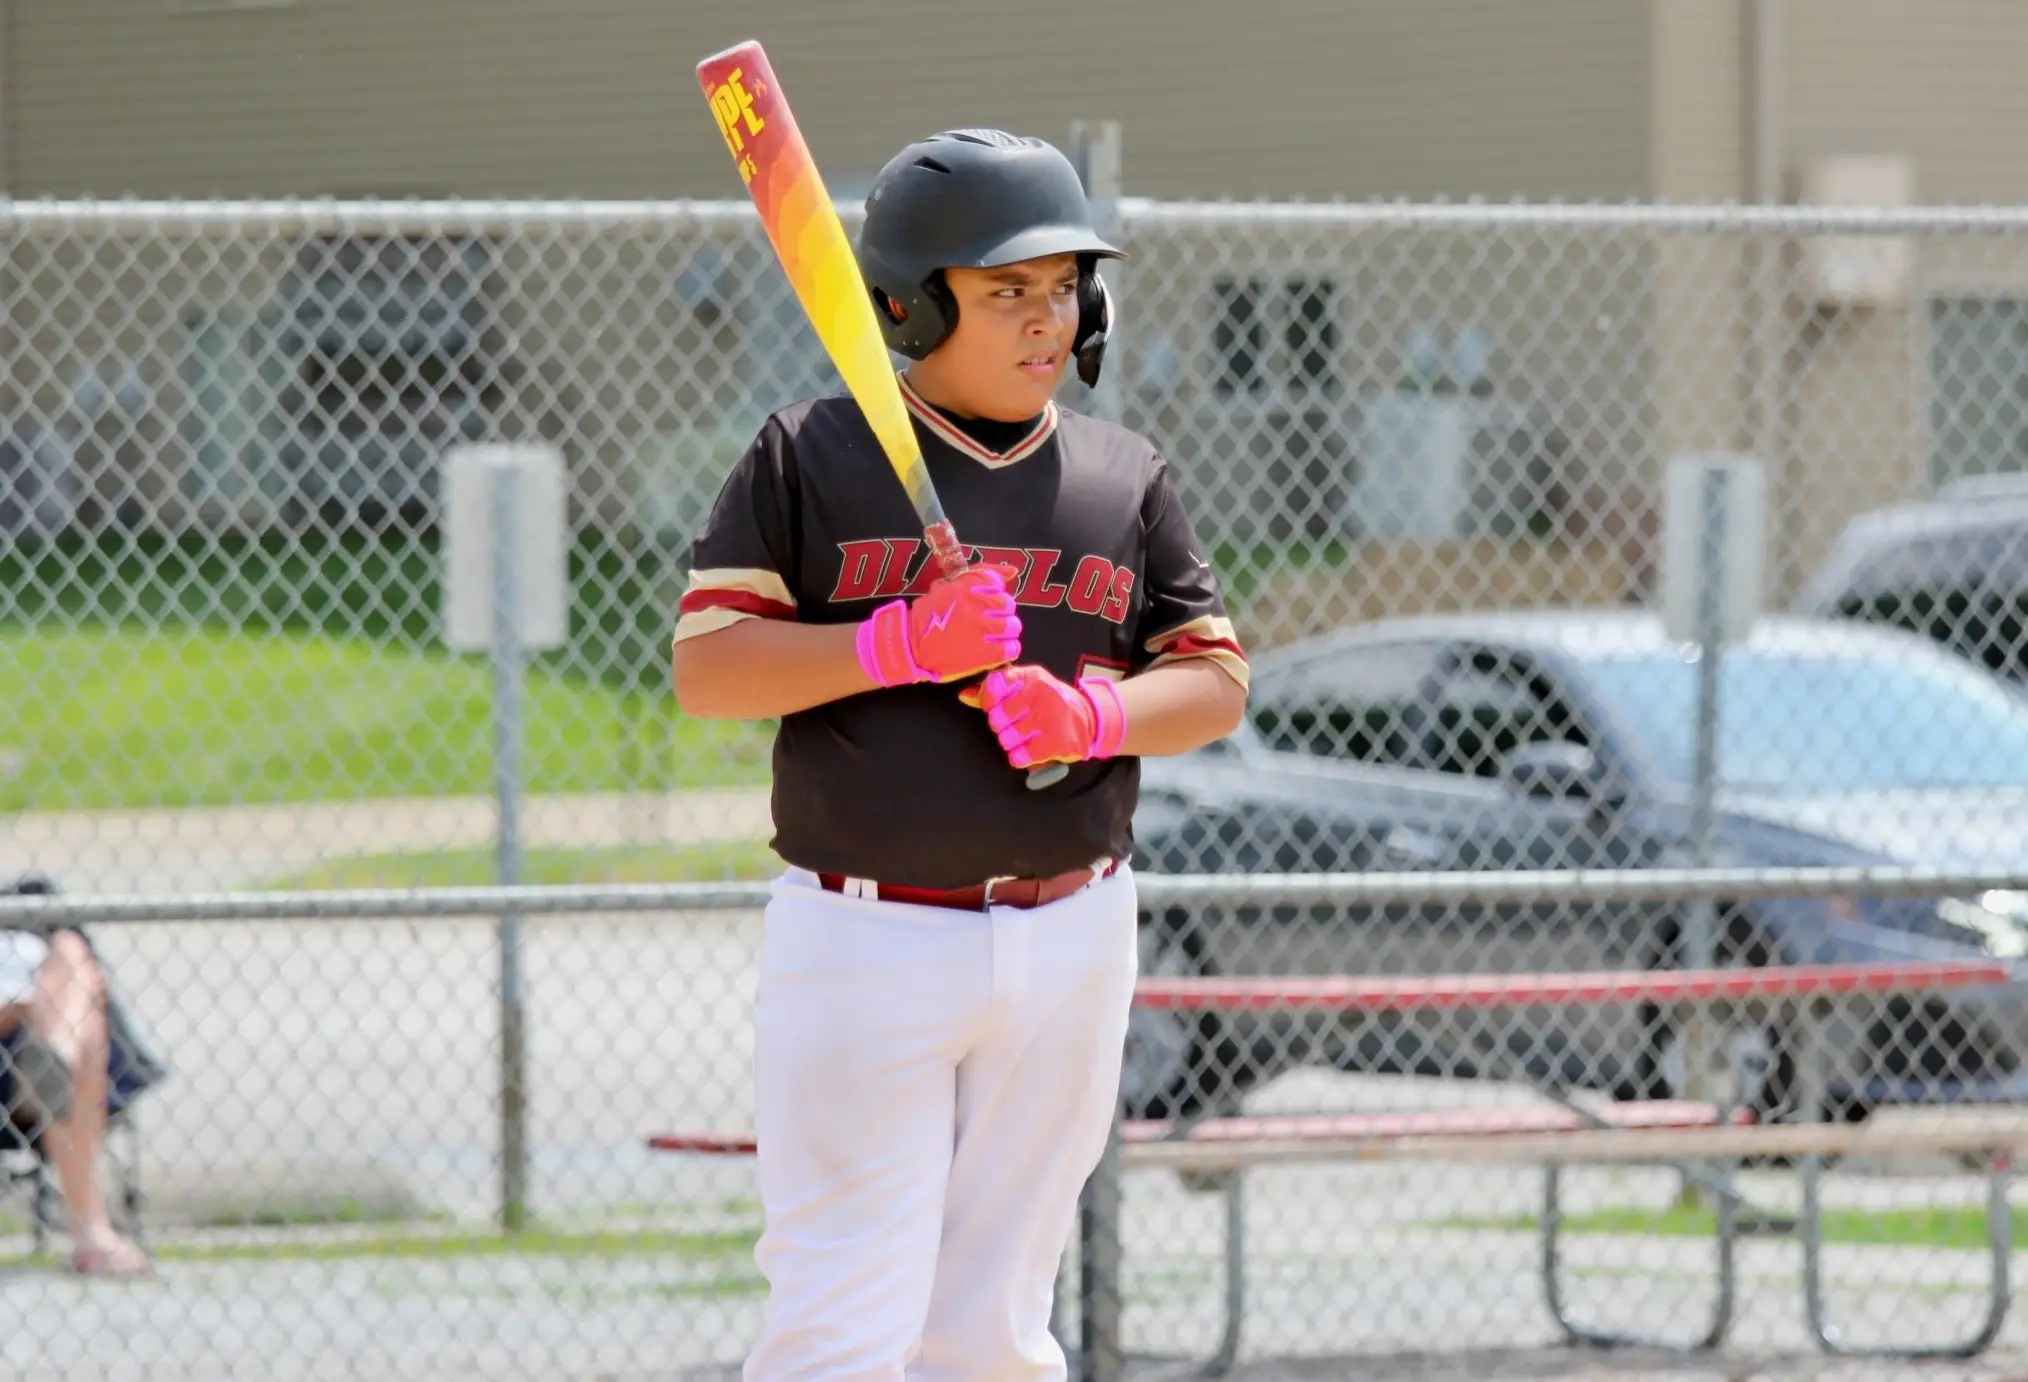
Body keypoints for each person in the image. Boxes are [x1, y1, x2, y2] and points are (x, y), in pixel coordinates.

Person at [672, 127, 1248, 1379]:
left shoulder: (1120, 475)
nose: (1047, 318)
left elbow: (1215, 681)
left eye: (1064, 287)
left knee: (995, 1330)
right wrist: (897, 643)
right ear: (910, 305)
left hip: (1075, 927)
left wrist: (1092, 719)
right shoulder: (813, 455)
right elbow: (709, 665)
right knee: (840, 1320)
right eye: (1005, 290)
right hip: (866, 935)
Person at [1, 907, 153, 1277]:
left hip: (29, 1051)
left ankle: (55, 1057)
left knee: (70, 953)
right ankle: (91, 1234)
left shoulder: (27, 915)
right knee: (74, 1029)